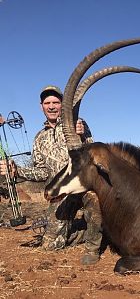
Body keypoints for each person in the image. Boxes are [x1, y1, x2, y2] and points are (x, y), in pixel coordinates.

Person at [0, 85, 102, 265]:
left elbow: (92, 152)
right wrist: (16, 171)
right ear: (41, 106)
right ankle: (85, 230)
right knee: (50, 245)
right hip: (60, 193)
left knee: (93, 199)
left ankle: (93, 246)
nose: (52, 106)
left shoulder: (77, 124)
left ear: (62, 105)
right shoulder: (39, 138)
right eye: (47, 103)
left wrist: (83, 134)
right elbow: (41, 172)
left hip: (82, 187)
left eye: (56, 102)